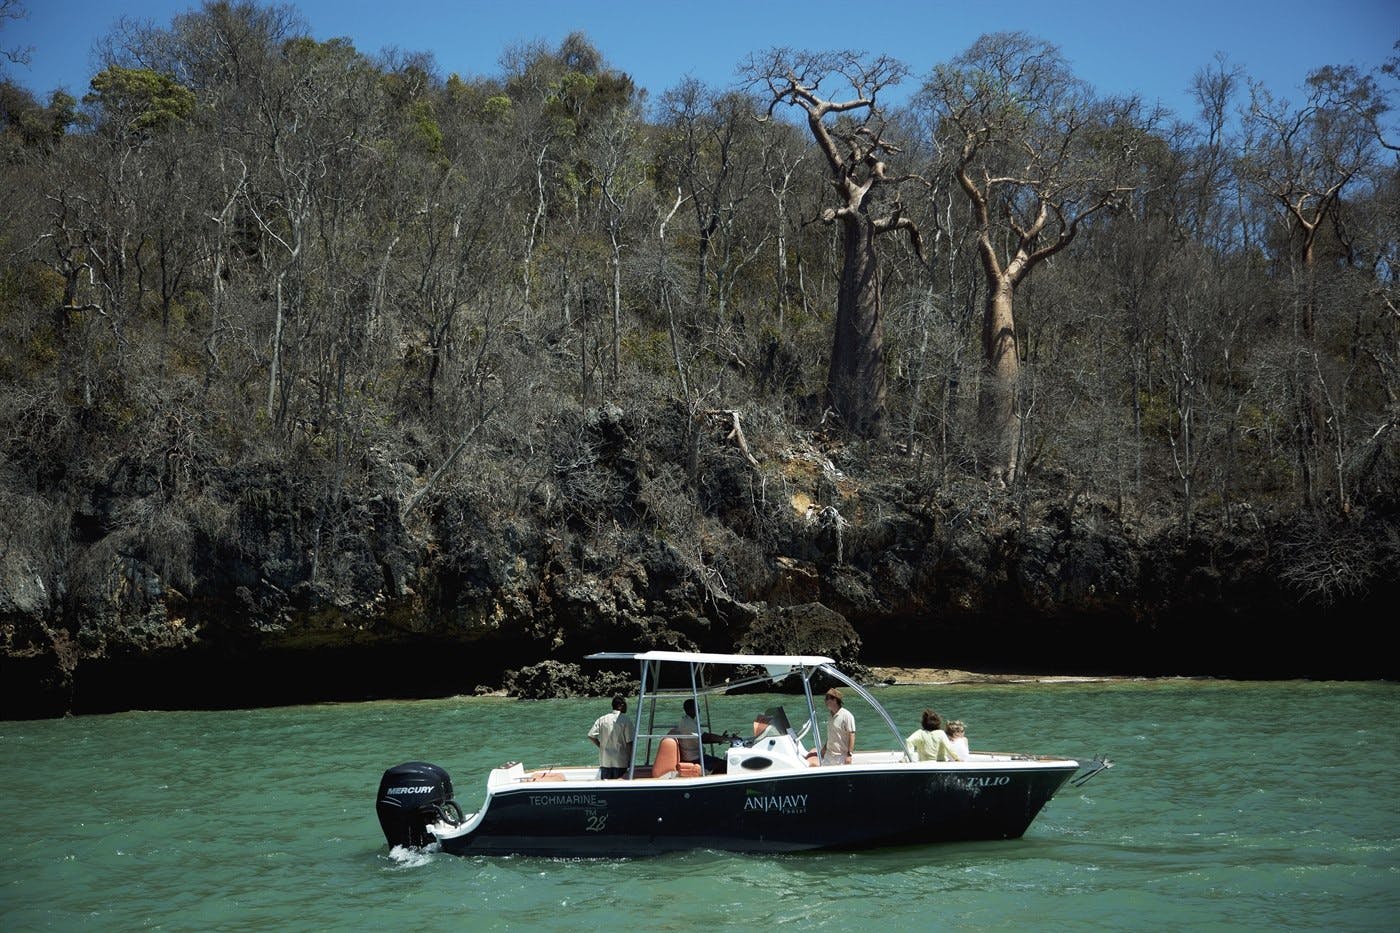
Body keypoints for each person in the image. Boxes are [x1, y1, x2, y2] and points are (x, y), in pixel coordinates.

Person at [671, 698, 729, 774]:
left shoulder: (688, 721)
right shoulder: (688, 724)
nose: (698, 710)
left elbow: (703, 738)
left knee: (721, 762)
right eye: (696, 708)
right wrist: (724, 738)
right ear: (690, 710)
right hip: (694, 759)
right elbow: (704, 738)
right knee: (725, 765)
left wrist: (720, 739)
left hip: (696, 756)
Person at [588, 695, 635, 779]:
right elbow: (629, 743)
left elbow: (591, 735)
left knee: (606, 786)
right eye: (625, 704)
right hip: (621, 761)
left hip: (605, 761)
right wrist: (631, 760)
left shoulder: (602, 719)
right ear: (620, 706)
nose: (626, 707)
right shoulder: (626, 720)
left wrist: (601, 746)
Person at [819, 687, 855, 765]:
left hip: (841, 757)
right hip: (829, 755)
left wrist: (849, 755)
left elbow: (852, 735)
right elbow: (832, 734)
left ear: (835, 700)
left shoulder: (846, 715)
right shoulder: (830, 716)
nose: (825, 701)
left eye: (827, 699)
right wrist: (824, 748)